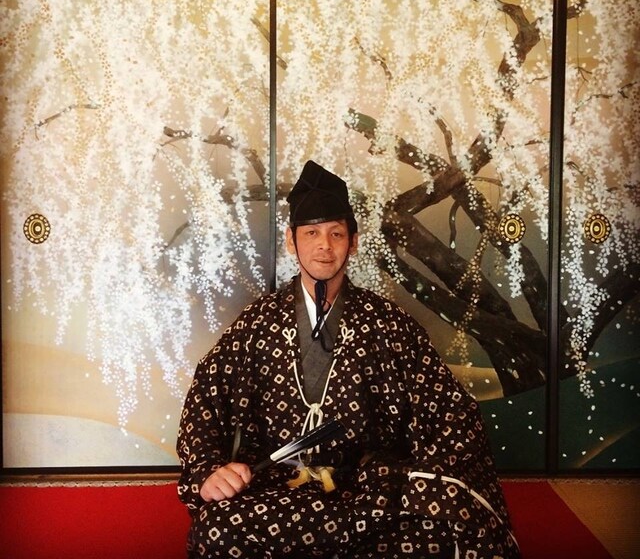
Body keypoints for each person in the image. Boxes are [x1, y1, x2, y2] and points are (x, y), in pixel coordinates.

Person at [176, 160, 520, 558]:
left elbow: (453, 414)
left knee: (459, 528)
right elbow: (206, 397)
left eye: (336, 233)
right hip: (276, 495)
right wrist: (208, 468)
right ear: (291, 241)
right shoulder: (257, 323)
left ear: (353, 242)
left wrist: (405, 477)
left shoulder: (390, 325)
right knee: (217, 529)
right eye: (312, 233)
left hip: (370, 497)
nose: (324, 245)